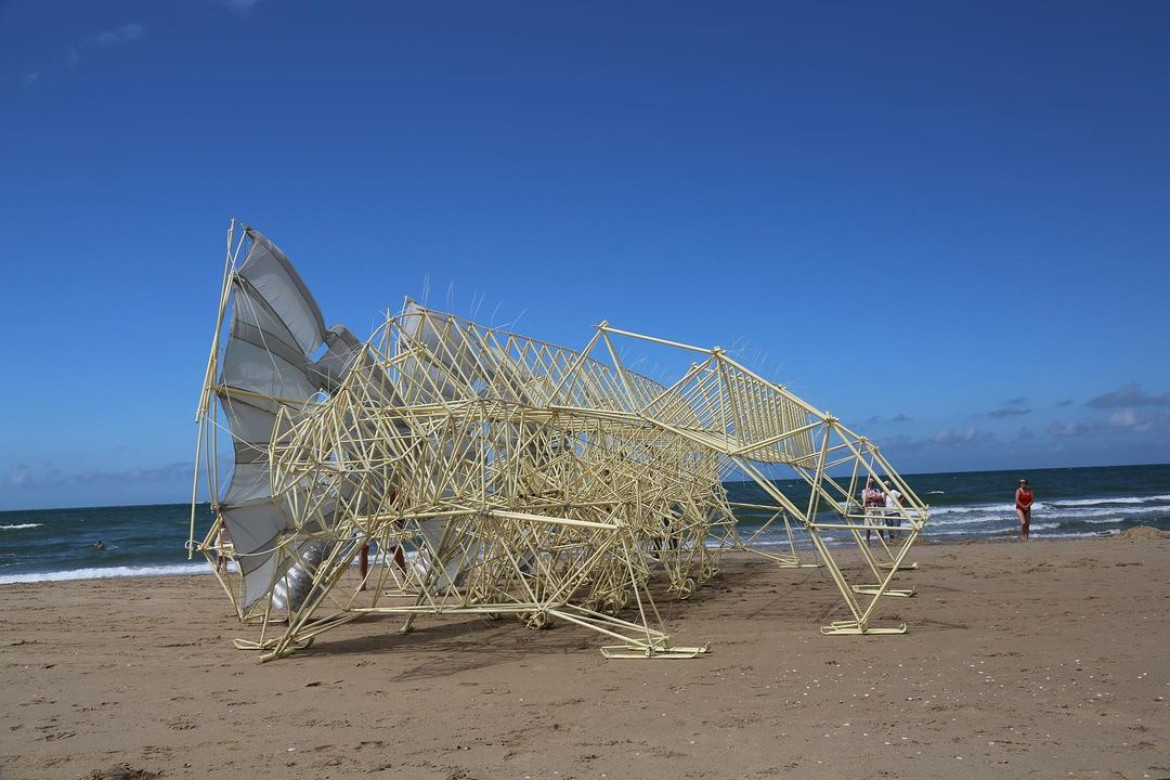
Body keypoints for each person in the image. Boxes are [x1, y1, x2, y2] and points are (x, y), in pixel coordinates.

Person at [861, 478, 885, 545]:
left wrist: (871, 498)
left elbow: (880, 498)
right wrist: (874, 498)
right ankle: (868, 542)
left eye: (872, 483)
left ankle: (882, 541)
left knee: (880, 526)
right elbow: (865, 499)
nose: (871, 484)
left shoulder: (877, 490)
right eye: (870, 483)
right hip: (869, 510)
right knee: (867, 527)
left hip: (876, 509)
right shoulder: (864, 490)